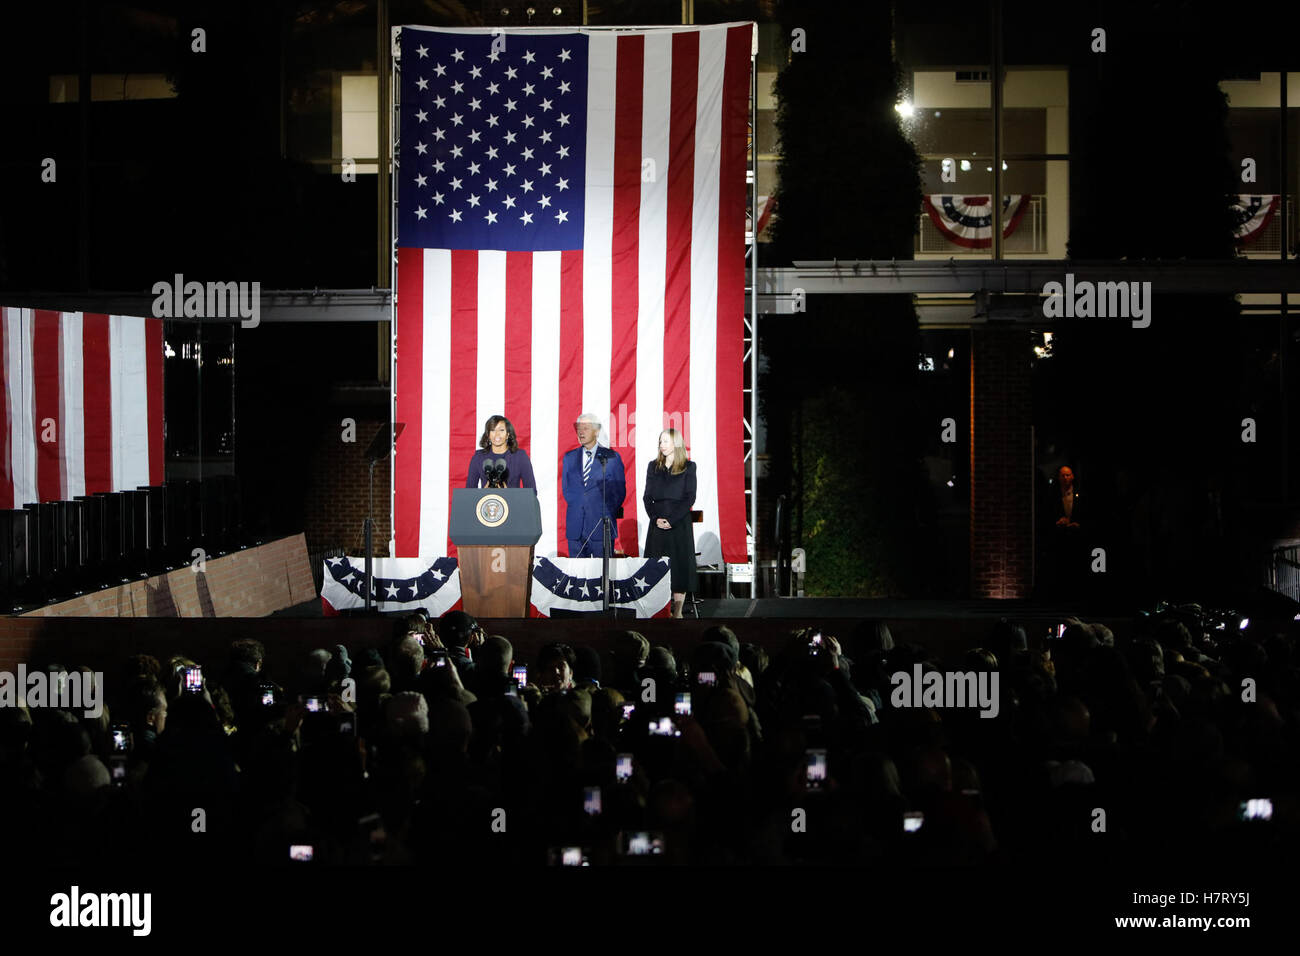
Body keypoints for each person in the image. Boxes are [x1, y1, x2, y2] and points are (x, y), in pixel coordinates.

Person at [643, 429, 698, 618]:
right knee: (657, 566)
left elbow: (689, 497)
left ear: (676, 443)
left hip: (678, 524)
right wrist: (655, 518)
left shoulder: (689, 467)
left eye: (665, 441)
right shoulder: (653, 467)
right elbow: (647, 497)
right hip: (657, 524)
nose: (662, 445)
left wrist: (671, 520)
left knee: (679, 567)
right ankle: (661, 609)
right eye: (660, 441)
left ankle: (679, 611)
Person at [561, 412, 626, 557]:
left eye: (586, 428)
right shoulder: (569, 458)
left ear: (597, 431)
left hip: (601, 526)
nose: (581, 431)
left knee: (601, 576)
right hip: (576, 526)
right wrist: (577, 504)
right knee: (577, 575)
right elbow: (566, 488)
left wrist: (604, 510)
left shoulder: (612, 457)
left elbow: (619, 491)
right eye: (579, 428)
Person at [465, 415, 536, 490]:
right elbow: (469, 492)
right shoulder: (479, 457)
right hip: (487, 501)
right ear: (488, 435)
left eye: (501, 430)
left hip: (512, 501)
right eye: (493, 430)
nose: (497, 434)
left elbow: (532, 491)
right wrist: (483, 494)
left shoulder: (520, 456)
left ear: (508, 434)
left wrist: (509, 495)